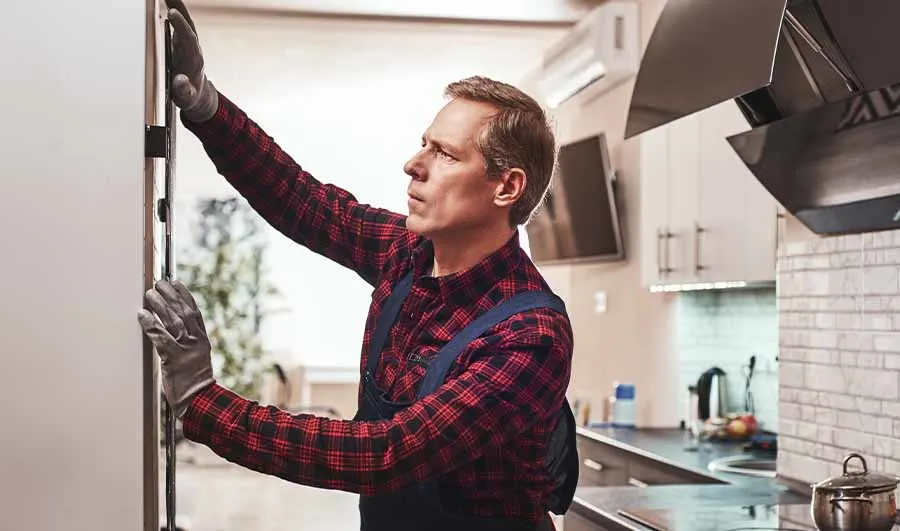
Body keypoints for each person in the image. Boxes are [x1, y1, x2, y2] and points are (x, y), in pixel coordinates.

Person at [137, 1, 578, 530]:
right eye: (424, 145)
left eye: (445, 154)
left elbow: (386, 455)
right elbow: (306, 204)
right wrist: (207, 106)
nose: (413, 165)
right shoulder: (409, 255)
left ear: (506, 187)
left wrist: (203, 402)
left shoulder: (530, 333)